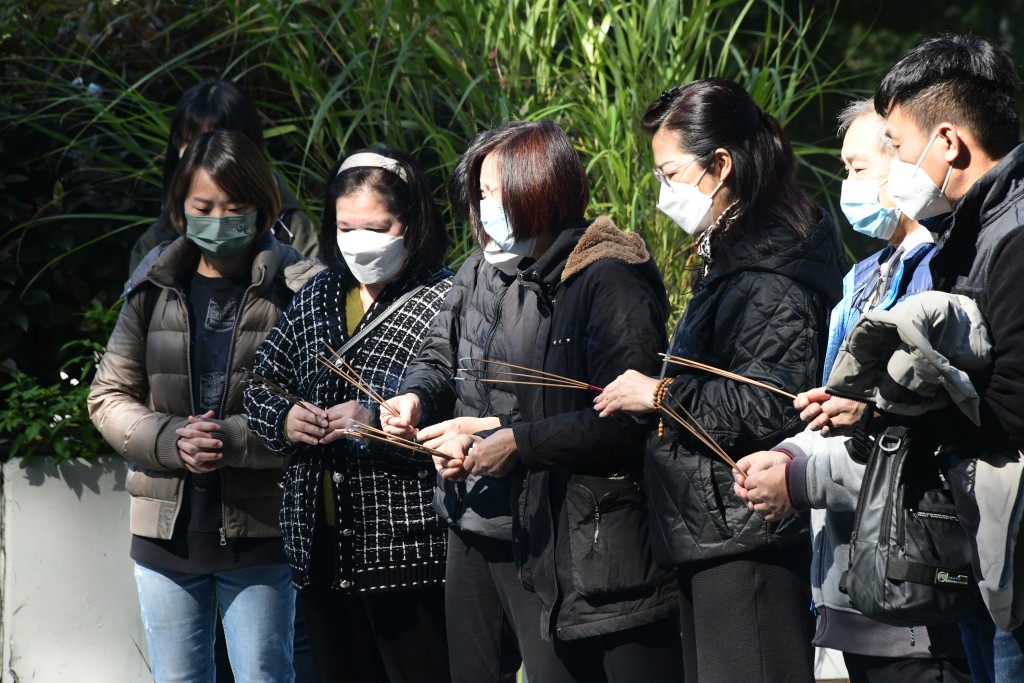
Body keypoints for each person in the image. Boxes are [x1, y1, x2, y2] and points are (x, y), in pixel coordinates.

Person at [594, 78, 846, 683]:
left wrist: (657, 393)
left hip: (747, 532)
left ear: (722, 164)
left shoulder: (770, 261)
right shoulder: (733, 249)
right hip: (714, 529)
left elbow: (771, 403)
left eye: (670, 174)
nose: (662, 192)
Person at [794, 34, 1024, 683]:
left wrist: (880, 413)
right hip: (985, 557)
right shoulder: (971, 233)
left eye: (895, 146)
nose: (892, 167)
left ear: (946, 142)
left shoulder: (1012, 237)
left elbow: (1009, 409)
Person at [418, 119, 681, 681]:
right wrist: (476, 433)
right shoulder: (528, 279)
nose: (484, 208)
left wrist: (514, 444)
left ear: (533, 189)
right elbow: (529, 407)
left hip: (609, 548)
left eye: (492, 194)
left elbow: (625, 419)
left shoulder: (609, 279)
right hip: (550, 541)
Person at [732, 99, 971, 683]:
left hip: (919, 579)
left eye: (858, 168)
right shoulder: (861, 276)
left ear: (907, 160)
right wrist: (802, 439)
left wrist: (853, 420)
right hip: (846, 572)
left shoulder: (947, 267)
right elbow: (836, 399)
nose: (846, 184)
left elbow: (915, 419)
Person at [89, 129, 321, 683]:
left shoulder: (301, 288)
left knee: (265, 674)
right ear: (180, 208)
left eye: (236, 207)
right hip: (164, 533)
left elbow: (316, 405)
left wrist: (232, 439)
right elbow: (107, 396)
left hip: (262, 529)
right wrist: (171, 439)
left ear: (264, 207)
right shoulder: (152, 283)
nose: (220, 220)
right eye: (203, 207)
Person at [243, 148, 453, 683]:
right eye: (345, 227)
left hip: (405, 546)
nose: (359, 241)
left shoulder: (445, 298)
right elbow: (261, 382)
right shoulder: (319, 292)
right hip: (319, 542)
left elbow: (453, 397)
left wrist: (377, 420)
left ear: (411, 222)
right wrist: (286, 418)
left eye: (376, 227)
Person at [381, 128, 527, 683]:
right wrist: (415, 397)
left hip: (535, 520)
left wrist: (490, 432)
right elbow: (438, 356)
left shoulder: (583, 273)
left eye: (500, 192)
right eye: (481, 194)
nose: (489, 208)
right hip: (466, 513)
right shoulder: (475, 268)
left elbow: (579, 403)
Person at [129, 79, 317, 274]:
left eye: (235, 209)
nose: (205, 157)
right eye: (202, 209)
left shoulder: (293, 230)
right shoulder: (154, 242)